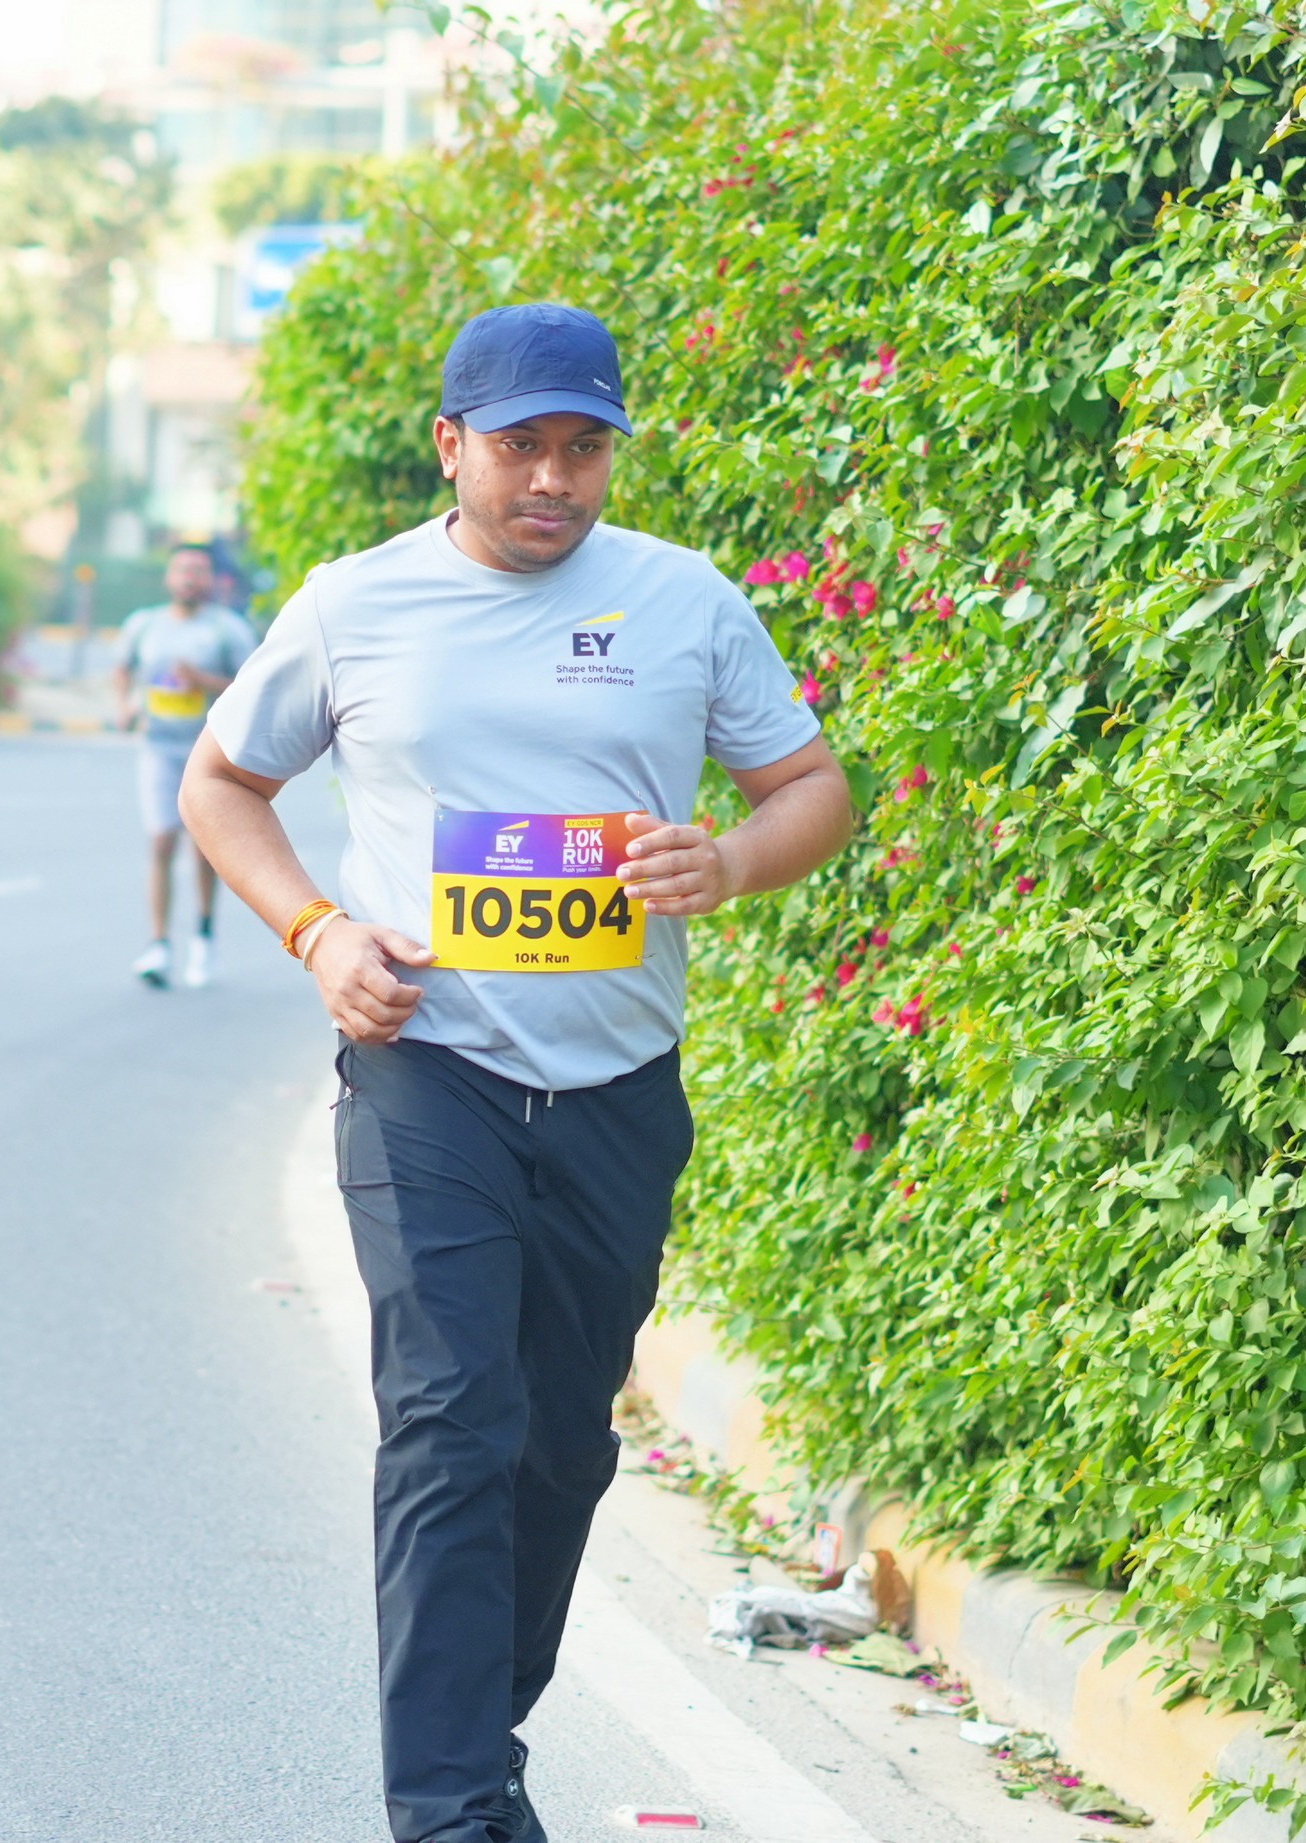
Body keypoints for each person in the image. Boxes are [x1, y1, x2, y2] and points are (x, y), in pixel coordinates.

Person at [181, 303, 854, 1843]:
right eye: (522, 446)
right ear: (452, 446)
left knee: (558, 1442)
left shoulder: (682, 601)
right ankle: (448, 1809)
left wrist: (730, 859)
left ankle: (481, 1746)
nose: (554, 477)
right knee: (449, 1416)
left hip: (618, 1087)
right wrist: (317, 931)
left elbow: (811, 785)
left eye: (584, 447)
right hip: (430, 1072)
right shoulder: (357, 605)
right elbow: (223, 779)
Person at [114, 544, 259, 989]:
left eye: (198, 571)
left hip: (208, 754)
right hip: (158, 748)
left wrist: (203, 681)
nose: (189, 578)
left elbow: (253, 686)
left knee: (203, 848)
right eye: (182, 569)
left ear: (211, 580)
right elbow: (123, 669)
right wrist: (125, 704)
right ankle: (158, 944)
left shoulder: (227, 630)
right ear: (169, 577)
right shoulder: (145, 625)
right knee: (161, 840)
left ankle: (203, 935)